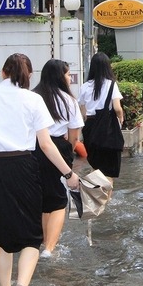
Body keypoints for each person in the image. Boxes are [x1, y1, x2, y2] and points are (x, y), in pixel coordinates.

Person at [0, 53, 79, 286]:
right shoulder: (32, 99)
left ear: (3, 72)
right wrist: (68, 173)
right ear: (29, 76)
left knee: (3, 237)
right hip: (24, 168)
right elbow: (46, 144)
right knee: (30, 237)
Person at [32, 59, 84, 259]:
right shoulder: (68, 100)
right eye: (68, 74)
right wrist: (67, 152)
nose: (69, 78)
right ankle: (49, 249)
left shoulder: (32, 96)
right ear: (59, 76)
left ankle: (44, 242)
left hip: (32, 149)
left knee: (43, 199)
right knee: (58, 202)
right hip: (57, 150)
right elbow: (74, 136)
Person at [78, 52, 124, 179]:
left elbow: (83, 112)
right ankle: (107, 198)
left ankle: (96, 196)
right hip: (107, 128)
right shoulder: (111, 84)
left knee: (95, 166)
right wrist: (121, 118)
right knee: (109, 169)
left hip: (90, 128)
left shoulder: (85, 86)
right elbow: (117, 108)